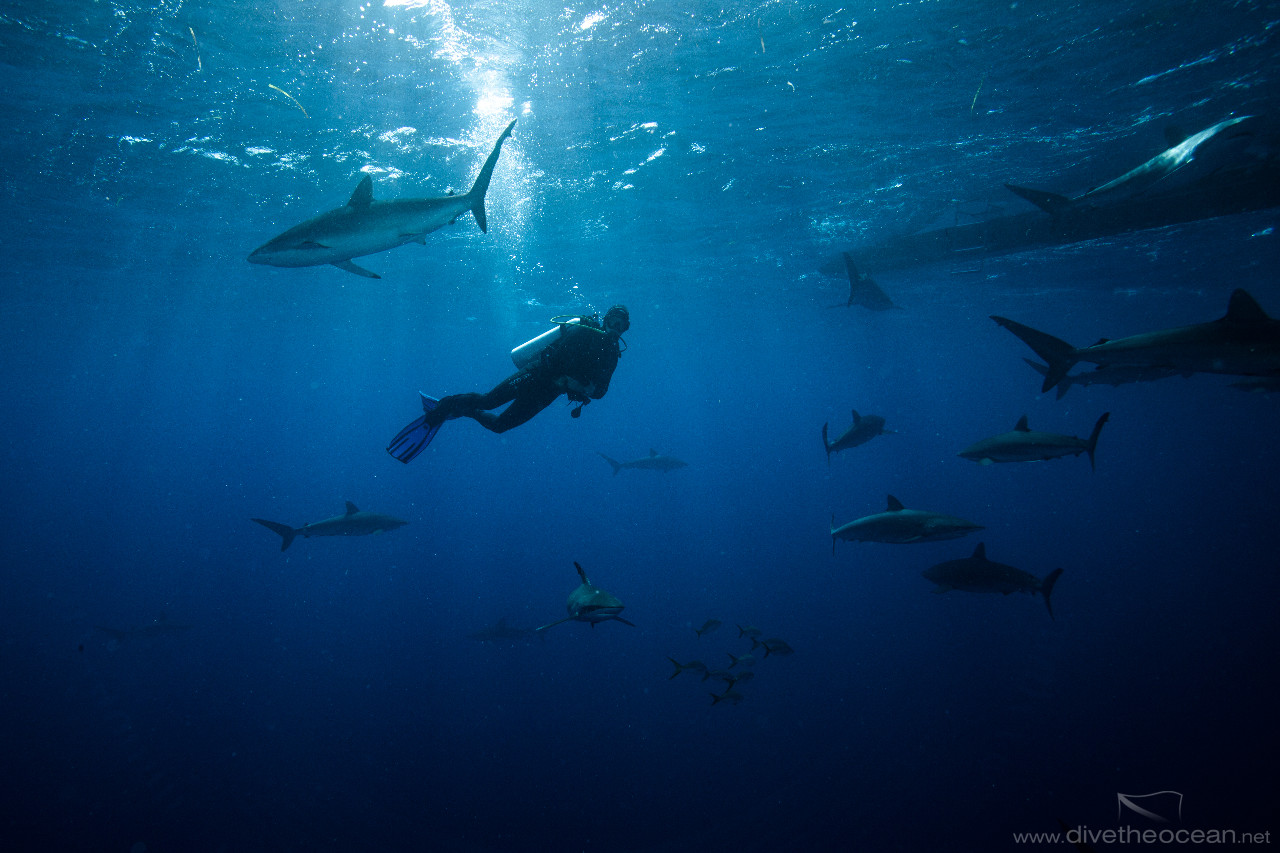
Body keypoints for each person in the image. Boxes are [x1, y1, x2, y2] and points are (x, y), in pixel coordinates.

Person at [387, 305, 630, 463]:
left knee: (500, 426)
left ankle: (466, 411)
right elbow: (556, 356)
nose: (615, 329)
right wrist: (572, 381)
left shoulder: (611, 355)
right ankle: (439, 411)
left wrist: (580, 386)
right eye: (613, 322)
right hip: (537, 375)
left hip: (549, 392)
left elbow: (601, 391)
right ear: (605, 320)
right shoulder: (584, 332)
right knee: (489, 401)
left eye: (621, 326)